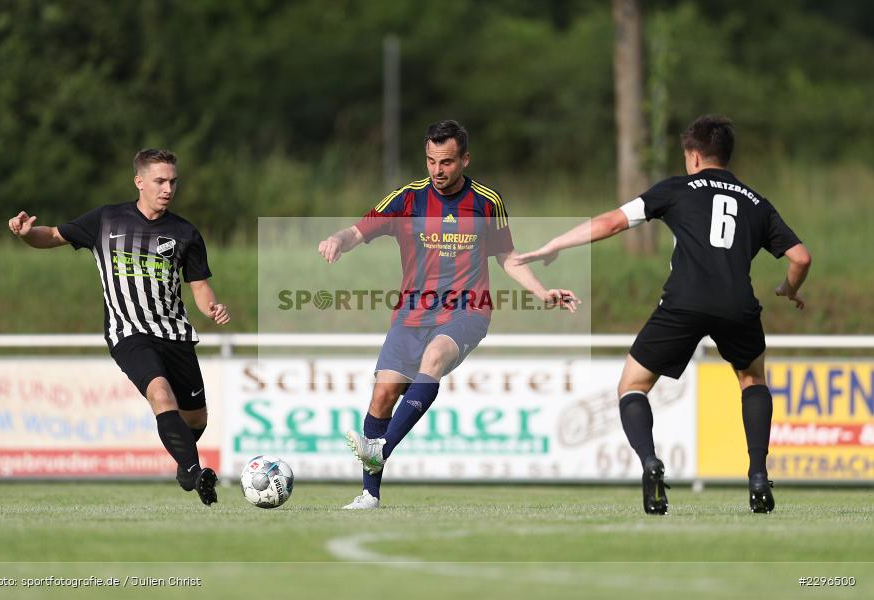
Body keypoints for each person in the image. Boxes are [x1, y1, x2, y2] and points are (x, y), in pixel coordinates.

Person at [515, 115, 811, 515]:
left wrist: (555, 245)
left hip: (683, 302)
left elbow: (612, 223)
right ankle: (758, 475)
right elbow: (800, 257)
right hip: (737, 304)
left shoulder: (677, 189)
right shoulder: (756, 201)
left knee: (633, 385)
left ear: (692, 155)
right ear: (726, 156)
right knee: (752, 378)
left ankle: (650, 463)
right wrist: (789, 289)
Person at [318, 120, 578, 509]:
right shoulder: (408, 199)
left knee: (434, 357)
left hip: (467, 310)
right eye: (431, 161)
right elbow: (358, 231)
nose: (438, 171)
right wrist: (337, 239)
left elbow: (507, 255)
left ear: (465, 159)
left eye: (447, 162)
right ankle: (369, 495)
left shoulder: (487, 202)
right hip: (412, 313)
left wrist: (541, 292)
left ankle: (381, 449)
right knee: (383, 395)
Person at [7, 149, 230, 506]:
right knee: (160, 393)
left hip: (174, 334)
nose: (168, 188)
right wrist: (25, 234)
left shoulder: (185, 232)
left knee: (196, 418)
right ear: (139, 182)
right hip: (128, 332)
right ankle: (193, 472)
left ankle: (184, 460)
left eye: (173, 181)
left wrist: (213, 307)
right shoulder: (106, 220)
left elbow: (199, 287)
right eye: (159, 181)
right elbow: (51, 235)